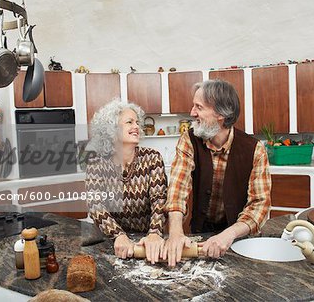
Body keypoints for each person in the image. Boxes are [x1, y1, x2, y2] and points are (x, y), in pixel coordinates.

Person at [162, 79, 271, 266]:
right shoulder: (189, 140)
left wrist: (229, 234)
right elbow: (177, 190)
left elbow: (260, 206)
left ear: (220, 114)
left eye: (199, 107)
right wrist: (176, 232)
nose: (192, 113)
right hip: (200, 232)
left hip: (238, 237)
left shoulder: (255, 149)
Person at [86, 99, 167, 264]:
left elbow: (160, 200)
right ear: (111, 130)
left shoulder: (152, 158)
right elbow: (95, 205)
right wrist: (118, 234)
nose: (137, 126)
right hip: (113, 243)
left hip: (147, 242)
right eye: (129, 122)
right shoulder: (96, 162)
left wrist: (154, 233)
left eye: (137, 122)